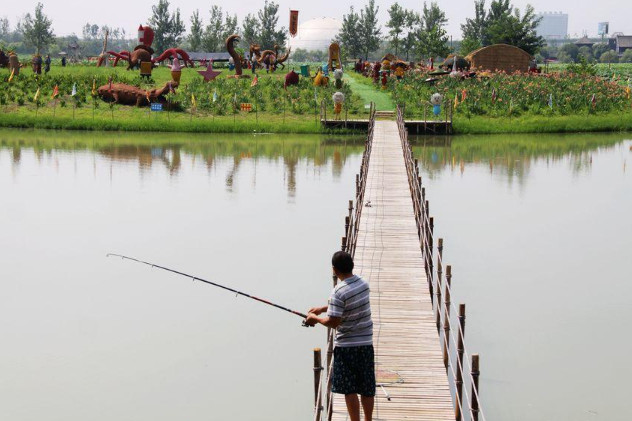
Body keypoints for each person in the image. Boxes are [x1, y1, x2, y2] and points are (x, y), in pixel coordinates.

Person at [305, 251, 374, 421]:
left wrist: (315, 319)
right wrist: (322, 308)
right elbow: (348, 303)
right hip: (366, 343)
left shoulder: (338, 292)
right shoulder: (363, 284)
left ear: (334, 270)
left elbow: (334, 322)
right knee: (366, 387)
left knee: (349, 389)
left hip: (347, 348)